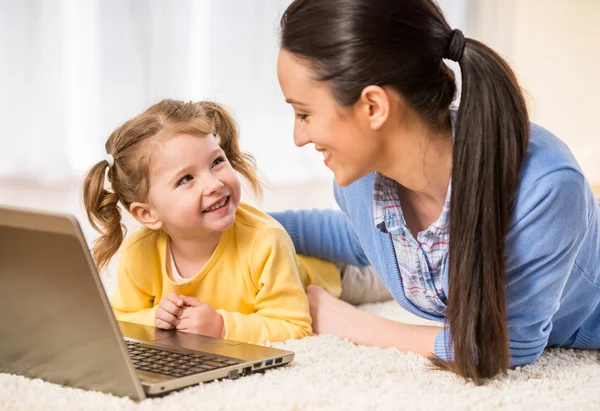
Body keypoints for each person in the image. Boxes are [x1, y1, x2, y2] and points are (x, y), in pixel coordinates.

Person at [270, 0, 600, 383]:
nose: (298, 137)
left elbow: (507, 346)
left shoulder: (545, 187)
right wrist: (242, 222)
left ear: (374, 106)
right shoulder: (359, 185)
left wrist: (344, 322)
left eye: (304, 113)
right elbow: (367, 241)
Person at [82, 99, 389, 345]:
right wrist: (156, 320)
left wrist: (221, 326)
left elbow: (293, 325)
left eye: (217, 162)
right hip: (283, 260)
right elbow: (120, 319)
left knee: (391, 275)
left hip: (331, 276)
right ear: (147, 214)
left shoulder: (266, 241)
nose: (214, 183)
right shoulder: (140, 251)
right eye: (186, 179)